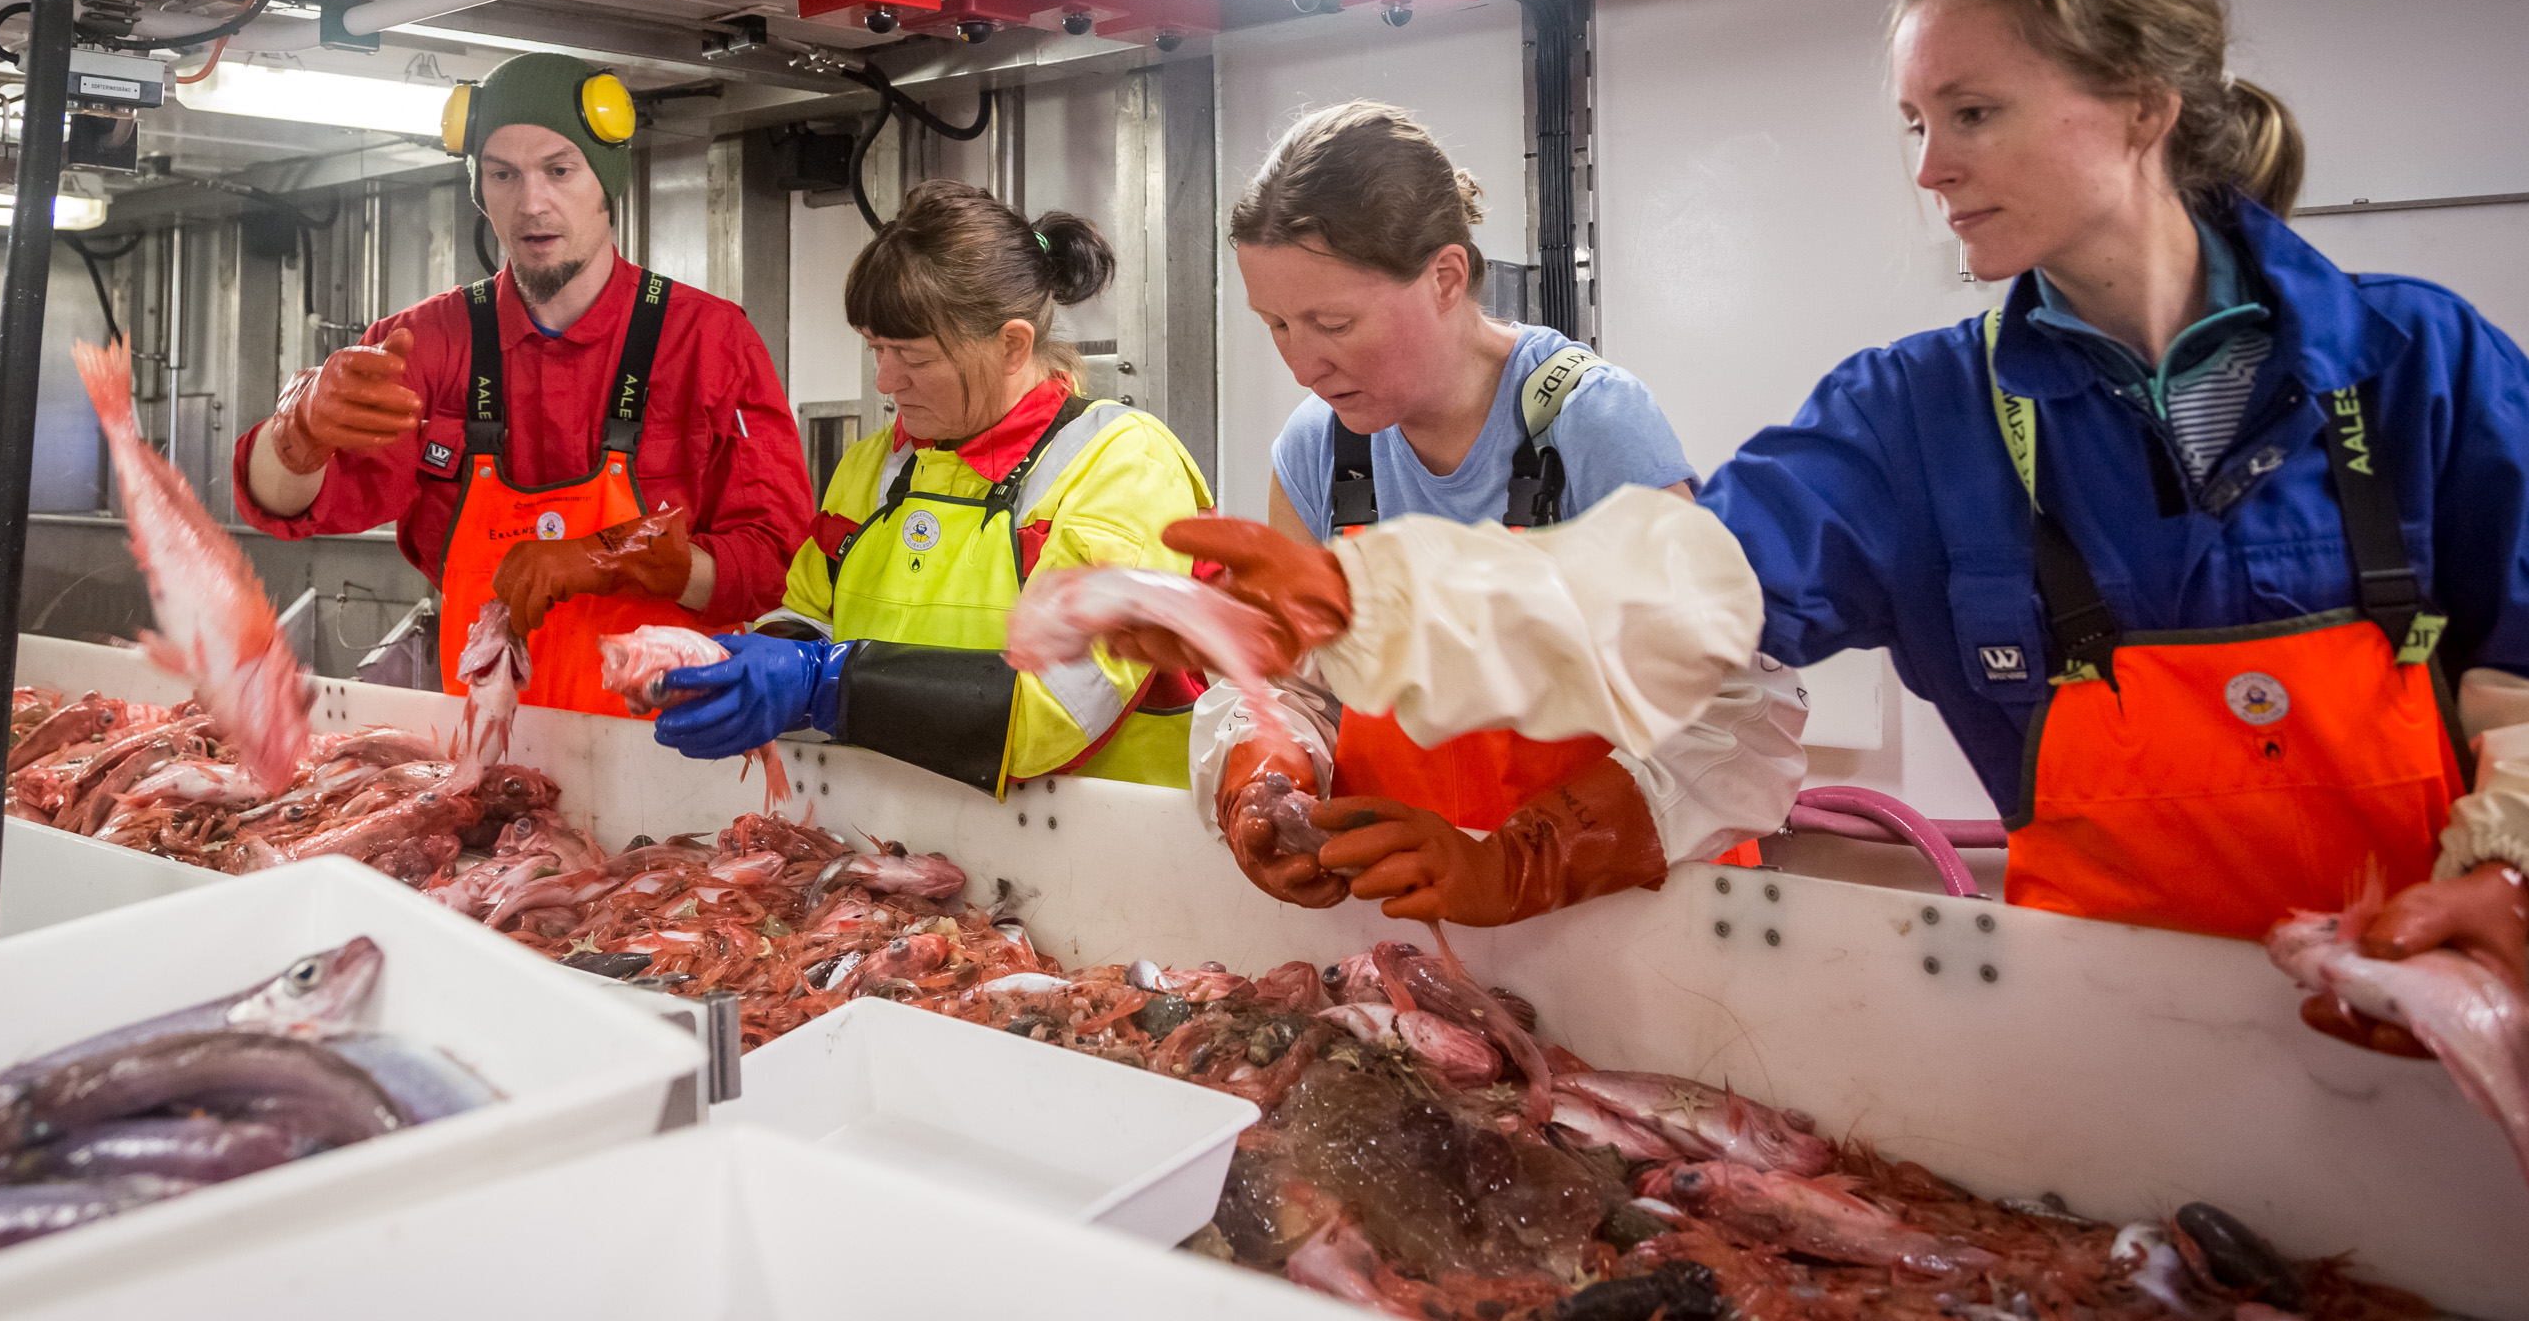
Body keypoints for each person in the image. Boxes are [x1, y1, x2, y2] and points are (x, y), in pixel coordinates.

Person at [1174, 0, 2529, 1045]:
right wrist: (1377, 608)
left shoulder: (2423, 363)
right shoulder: (1915, 417)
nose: (1930, 169)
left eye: (1974, 113)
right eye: (1916, 122)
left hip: (2415, 1030)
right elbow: (1695, 587)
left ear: (2143, 110)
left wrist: (2502, 880)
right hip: (2100, 1039)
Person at [1150, 101, 1807, 919]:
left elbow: (1729, 716)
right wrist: (1266, 777)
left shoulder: (1589, 424)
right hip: (1404, 924)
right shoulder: (1319, 446)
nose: (1301, 363)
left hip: (1620, 921)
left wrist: (1517, 865)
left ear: (1446, 278)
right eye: (1276, 325)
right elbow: (1289, 686)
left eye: (1333, 323)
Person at [232, 53, 811, 715]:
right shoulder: (424, 343)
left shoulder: (709, 341)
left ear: (603, 182)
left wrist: (618, 560)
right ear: (480, 188)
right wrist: (296, 438)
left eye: (559, 170)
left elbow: (770, 566)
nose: (532, 203)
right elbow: (290, 506)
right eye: (503, 174)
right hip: (488, 756)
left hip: (671, 758)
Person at [650, 180, 1213, 793]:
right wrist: (740, 666)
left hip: (1099, 857)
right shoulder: (874, 466)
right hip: (905, 842)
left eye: (913, 359)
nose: (886, 382)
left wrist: (823, 682)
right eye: (875, 350)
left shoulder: (1123, 464)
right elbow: (814, 615)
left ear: (1011, 345)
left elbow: (1057, 711)